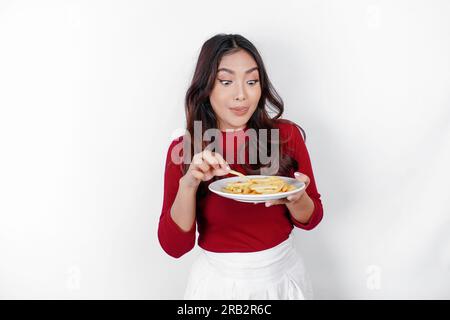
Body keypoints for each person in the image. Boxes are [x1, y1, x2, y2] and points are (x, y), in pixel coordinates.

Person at [157, 33, 324, 299]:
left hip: (283, 278)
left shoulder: (286, 135)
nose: (241, 95)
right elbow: (175, 247)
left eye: (252, 81)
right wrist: (188, 184)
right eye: (226, 82)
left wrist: (296, 197)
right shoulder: (186, 148)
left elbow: (311, 218)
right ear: (206, 87)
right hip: (218, 286)